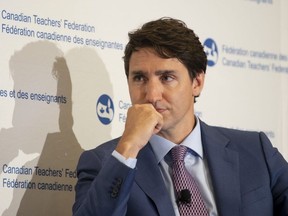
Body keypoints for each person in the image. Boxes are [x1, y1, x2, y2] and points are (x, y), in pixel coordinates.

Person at [72, 17, 288, 216]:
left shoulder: (256, 151)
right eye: (139, 78)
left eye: (166, 77)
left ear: (197, 83)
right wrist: (129, 147)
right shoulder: (105, 164)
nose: (152, 95)